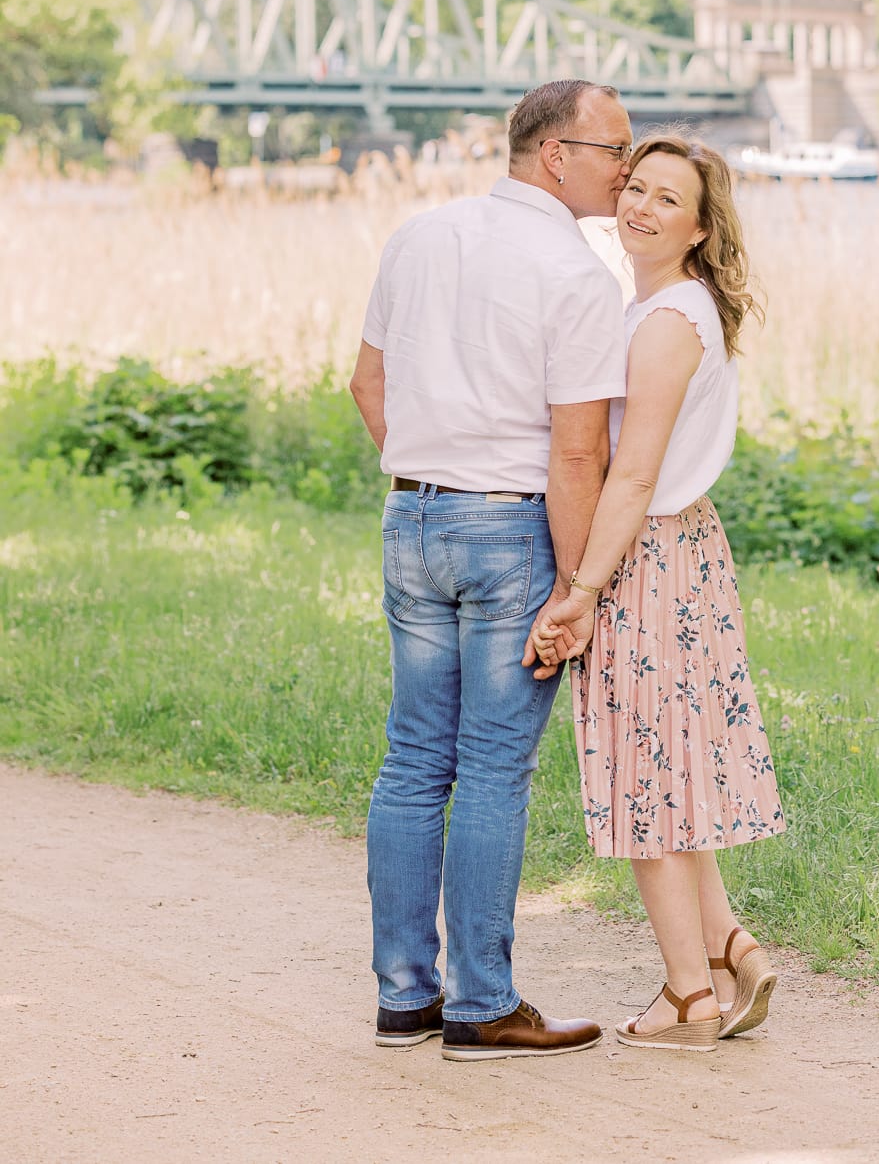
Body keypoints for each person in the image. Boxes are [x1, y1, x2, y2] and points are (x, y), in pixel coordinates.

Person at [349, 79, 633, 1061]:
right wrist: (578, 587)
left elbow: (366, 381)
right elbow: (577, 456)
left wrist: (432, 470)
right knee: (494, 773)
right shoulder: (579, 275)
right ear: (556, 153)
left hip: (411, 517)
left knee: (414, 757)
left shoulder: (418, 237)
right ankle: (480, 1006)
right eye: (614, 149)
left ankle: (402, 998)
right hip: (511, 533)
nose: (627, 168)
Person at [525, 133, 786, 1052]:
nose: (640, 206)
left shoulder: (669, 321)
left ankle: (689, 999)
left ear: (702, 226)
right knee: (671, 766)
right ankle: (726, 949)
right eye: (635, 186)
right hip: (678, 552)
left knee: (648, 776)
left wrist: (582, 588)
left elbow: (631, 476)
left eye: (667, 198)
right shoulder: (668, 309)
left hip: (650, 558)